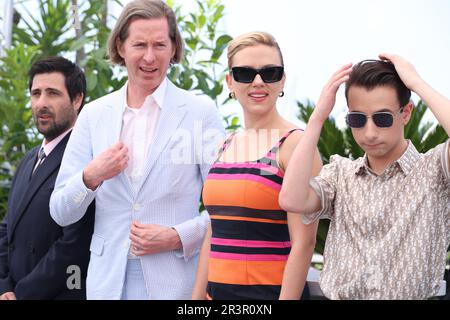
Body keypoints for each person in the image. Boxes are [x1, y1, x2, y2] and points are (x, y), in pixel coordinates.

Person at [49, 0, 224, 300]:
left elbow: (225, 209)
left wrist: (176, 237)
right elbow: (60, 211)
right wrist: (90, 176)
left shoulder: (200, 112)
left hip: (176, 283)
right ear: (120, 46)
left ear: (173, 48)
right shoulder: (93, 114)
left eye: (159, 44)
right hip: (107, 284)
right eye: (139, 44)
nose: (149, 56)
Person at [279, 54, 450, 299]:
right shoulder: (340, 174)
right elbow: (291, 200)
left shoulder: (434, 170)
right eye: (357, 119)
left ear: (406, 113)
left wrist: (416, 83)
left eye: (382, 118)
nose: (369, 132)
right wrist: (318, 117)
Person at [192, 32, 321, 300]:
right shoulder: (225, 145)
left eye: (270, 73)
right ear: (230, 81)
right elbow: (214, 232)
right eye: (245, 73)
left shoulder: (295, 145)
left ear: (282, 80)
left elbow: (304, 244)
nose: (258, 82)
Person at [0, 56, 95, 300]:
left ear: (77, 99)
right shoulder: (29, 160)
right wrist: (4, 286)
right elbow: (7, 229)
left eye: (52, 93)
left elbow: (74, 245)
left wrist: (21, 293)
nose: (41, 103)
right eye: (36, 93)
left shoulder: (87, 162)